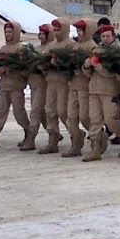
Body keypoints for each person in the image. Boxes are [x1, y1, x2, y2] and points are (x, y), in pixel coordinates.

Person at [0, 21, 30, 150]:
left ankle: (28, 134)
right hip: (4, 86)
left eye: (10, 32)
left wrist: (9, 70)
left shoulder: (21, 49)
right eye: (6, 32)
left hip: (16, 86)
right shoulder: (3, 49)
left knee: (19, 112)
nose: (8, 34)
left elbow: (24, 69)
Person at [82, 25, 120, 161]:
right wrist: (86, 66)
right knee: (94, 120)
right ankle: (95, 149)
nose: (105, 39)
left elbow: (111, 73)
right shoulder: (96, 50)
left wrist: (98, 66)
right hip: (94, 89)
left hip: (109, 90)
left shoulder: (117, 53)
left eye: (108, 36)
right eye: (103, 36)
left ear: (113, 36)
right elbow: (88, 74)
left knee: (111, 119)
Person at [38, 18, 72, 155]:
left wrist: (58, 63)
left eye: (59, 29)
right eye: (55, 30)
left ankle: (75, 136)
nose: (57, 32)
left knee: (63, 112)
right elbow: (44, 60)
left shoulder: (70, 45)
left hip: (63, 82)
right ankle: (53, 138)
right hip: (50, 81)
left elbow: (70, 65)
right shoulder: (51, 46)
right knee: (49, 111)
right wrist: (43, 66)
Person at [63, 19, 95, 158]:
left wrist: (83, 68)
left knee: (85, 117)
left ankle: (98, 137)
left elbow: (93, 70)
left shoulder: (92, 46)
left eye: (81, 30)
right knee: (70, 116)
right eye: (77, 30)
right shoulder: (75, 46)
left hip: (84, 86)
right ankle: (75, 142)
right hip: (73, 85)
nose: (79, 33)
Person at [21, 24, 52, 151]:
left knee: (35, 111)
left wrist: (41, 68)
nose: (41, 36)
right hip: (33, 83)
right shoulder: (37, 48)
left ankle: (31, 138)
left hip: (43, 84)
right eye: (40, 34)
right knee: (42, 113)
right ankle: (55, 134)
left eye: (44, 34)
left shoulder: (50, 49)